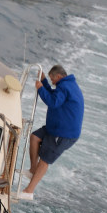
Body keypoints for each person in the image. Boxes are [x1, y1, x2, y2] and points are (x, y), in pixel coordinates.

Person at [17, 64, 84, 200]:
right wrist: (43, 82)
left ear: (58, 76)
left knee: (45, 160)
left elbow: (53, 102)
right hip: (54, 127)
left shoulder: (65, 87)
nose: (52, 82)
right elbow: (54, 95)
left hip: (63, 133)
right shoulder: (65, 85)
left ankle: (29, 191)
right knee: (35, 137)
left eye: (52, 79)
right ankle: (32, 170)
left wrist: (41, 89)